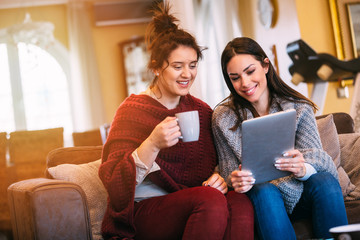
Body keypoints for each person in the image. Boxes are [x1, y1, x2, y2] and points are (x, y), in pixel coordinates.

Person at [98, 4, 253, 240]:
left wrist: (218, 177)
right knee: (208, 199)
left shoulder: (201, 111)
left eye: (192, 66)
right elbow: (115, 185)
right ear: (156, 68)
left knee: (239, 200)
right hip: (144, 210)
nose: (187, 74)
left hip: (192, 200)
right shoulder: (132, 111)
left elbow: (215, 163)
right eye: (177, 66)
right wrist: (152, 143)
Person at [212, 37, 348, 240]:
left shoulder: (298, 107)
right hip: (262, 199)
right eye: (235, 77)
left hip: (301, 192)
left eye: (250, 72)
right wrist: (236, 180)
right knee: (264, 189)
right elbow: (227, 170)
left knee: (324, 180)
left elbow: (322, 161)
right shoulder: (223, 117)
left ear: (265, 65)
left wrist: (302, 168)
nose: (245, 83)